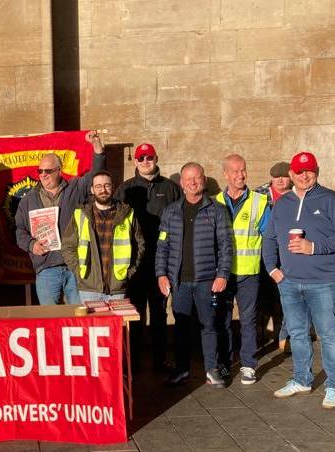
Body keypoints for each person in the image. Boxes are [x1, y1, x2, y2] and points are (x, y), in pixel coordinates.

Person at [264, 152, 335, 409]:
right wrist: (272, 268)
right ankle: (302, 380)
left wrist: (313, 247)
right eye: (299, 171)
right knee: (297, 333)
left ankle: (334, 385)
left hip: (322, 282)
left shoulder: (332, 199)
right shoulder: (282, 203)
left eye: (310, 170)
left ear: (317, 171)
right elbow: (270, 238)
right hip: (289, 282)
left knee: (328, 335)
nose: (305, 175)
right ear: (291, 174)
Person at [156, 162, 233, 388]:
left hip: (207, 280)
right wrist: (161, 274)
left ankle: (211, 369)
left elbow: (226, 246)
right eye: (188, 179)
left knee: (209, 325)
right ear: (181, 183)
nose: (192, 182)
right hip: (179, 281)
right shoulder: (171, 211)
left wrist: (222, 275)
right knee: (181, 326)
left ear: (204, 179)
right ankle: (182, 370)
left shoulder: (217, 210)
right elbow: (162, 246)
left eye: (197, 178)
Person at [15, 131, 106, 305]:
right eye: (40, 171)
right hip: (46, 268)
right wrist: (31, 244)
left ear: (59, 170)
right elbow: (20, 230)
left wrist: (97, 148)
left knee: (79, 316)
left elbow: (97, 175)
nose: (43, 175)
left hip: (76, 266)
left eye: (48, 171)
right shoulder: (28, 200)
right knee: (50, 320)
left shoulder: (76, 188)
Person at [115, 142, 181, 371]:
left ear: (156, 158)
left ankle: (160, 360)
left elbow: (178, 224)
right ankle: (133, 361)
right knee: (135, 314)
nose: (145, 162)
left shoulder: (171, 188)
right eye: (141, 158)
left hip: (161, 263)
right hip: (135, 264)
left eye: (149, 157)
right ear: (135, 161)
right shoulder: (125, 189)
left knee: (159, 313)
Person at [213, 154, 270, 385]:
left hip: (249, 273)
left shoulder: (259, 201)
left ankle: (248, 365)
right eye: (235, 171)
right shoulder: (213, 201)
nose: (240, 175)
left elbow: (269, 236)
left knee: (248, 320)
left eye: (243, 170)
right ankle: (225, 364)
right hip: (222, 274)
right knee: (222, 319)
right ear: (225, 174)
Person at [62, 171, 145, 302]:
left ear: (113, 186)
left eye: (107, 185)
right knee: (92, 323)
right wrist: (79, 273)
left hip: (117, 287)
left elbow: (139, 245)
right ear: (92, 190)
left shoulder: (126, 213)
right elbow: (68, 246)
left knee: (118, 323)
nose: (103, 190)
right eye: (98, 186)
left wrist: (129, 272)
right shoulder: (80, 214)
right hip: (89, 288)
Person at [255, 161, 292, 350]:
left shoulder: (296, 194)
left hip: (288, 253)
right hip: (262, 252)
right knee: (260, 295)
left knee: (286, 296)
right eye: (276, 176)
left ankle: (284, 337)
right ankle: (258, 335)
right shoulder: (259, 194)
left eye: (284, 176)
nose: (280, 180)